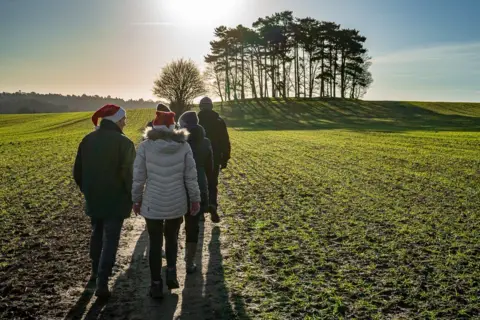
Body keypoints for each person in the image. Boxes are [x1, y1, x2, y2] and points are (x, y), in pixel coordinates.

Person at [132, 111, 201, 299]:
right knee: (172, 237)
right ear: (173, 127)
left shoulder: (145, 146)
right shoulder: (184, 146)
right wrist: (195, 199)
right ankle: (171, 271)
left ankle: (155, 284)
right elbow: (191, 176)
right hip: (176, 200)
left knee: (154, 242)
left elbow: (139, 176)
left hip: (152, 202)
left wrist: (136, 199)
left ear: (155, 126)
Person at [73, 104, 136, 299]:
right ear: (117, 120)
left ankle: (94, 272)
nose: (125, 123)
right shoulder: (124, 143)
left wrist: (88, 190)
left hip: (95, 198)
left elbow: (78, 172)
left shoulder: (87, 140)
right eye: (124, 119)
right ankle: (102, 280)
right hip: (116, 200)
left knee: (97, 233)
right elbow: (129, 175)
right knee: (110, 239)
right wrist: (132, 196)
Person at [178, 111, 214, 274]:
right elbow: (210, 169)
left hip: (178, 184)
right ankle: (189, 261)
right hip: (199, 183)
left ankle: (172, 259)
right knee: (193, 225)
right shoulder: (205, 142)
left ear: (184, 124)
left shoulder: (177, 141)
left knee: (173, 223)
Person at [198, 97, 231, 223]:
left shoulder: (196, 121)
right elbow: (225, 140)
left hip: (199, 158)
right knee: (212, 184)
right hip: (215, 157)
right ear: (211, 106)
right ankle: (212, 205)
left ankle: (200, 211)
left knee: (199, 184)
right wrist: (225, 158)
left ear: (201, 106)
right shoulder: (219, 121)